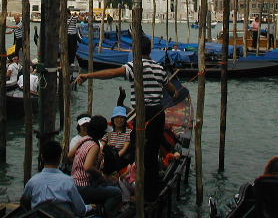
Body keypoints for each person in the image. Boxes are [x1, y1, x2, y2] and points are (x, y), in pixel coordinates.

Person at [76, 35, 179, 198]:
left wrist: (88, 75)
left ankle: (141, 192)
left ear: (135, 50)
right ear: (150, 50)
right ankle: (150, 191)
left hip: (144, 114)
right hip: (158, 114)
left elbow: (112, 73)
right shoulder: (159, 68)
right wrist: (172, 93)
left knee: (140, 152)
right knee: (151, 153)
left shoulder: (135, 66)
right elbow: (173, 90)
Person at [70, 115, 122, 217]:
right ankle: (107, 214)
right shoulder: (94, 146)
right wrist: (100, 175)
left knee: (111, 183)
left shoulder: (84, 139)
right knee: (116, 192)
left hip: (74, 182)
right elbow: (88, 167)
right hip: (83, 186)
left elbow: (70, 155)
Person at [21, 140, 89, 217]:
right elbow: (81, 210)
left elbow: (24, 204)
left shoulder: (32, 181)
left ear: (42, 157)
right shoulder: (68, 181)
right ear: (59, 158)